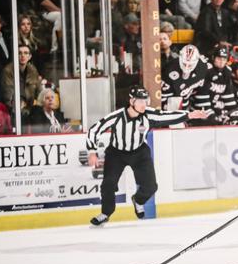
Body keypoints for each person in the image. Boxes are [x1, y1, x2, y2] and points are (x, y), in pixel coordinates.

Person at [87, 86, 207, 226]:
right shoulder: (117, 116)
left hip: (139, 152)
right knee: (108, 184)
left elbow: (167, 116)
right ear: (132, 101)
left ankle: (138, 200)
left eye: (146, 101)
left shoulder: (148, 114)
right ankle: (106, 213)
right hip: (116, 153)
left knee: (151, 187)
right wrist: (92, 151)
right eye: (141, 101)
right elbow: (94, 129)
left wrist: (189, 115)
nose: (145, 104)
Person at [160, 44, 210, 111]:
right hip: (171, 98)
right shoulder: (169, 69)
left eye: (190, 65)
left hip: (187, 98)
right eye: (184, 64)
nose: (186, 67)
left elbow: (202, 87)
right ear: (180, 58)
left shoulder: (203, 67)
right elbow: (163, 95)